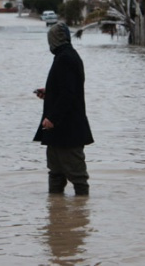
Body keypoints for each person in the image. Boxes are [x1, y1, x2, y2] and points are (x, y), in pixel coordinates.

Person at [34, 22, 94, 196]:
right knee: (55, 173)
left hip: (67, 128)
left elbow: (69, 94)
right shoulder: (64, 56)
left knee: (77, 175)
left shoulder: (66, 58)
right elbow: (65, 88)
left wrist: (52, 118)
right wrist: (50, 92)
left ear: (56, 39)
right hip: (58, 130)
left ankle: (81, 212)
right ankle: (55, 213)